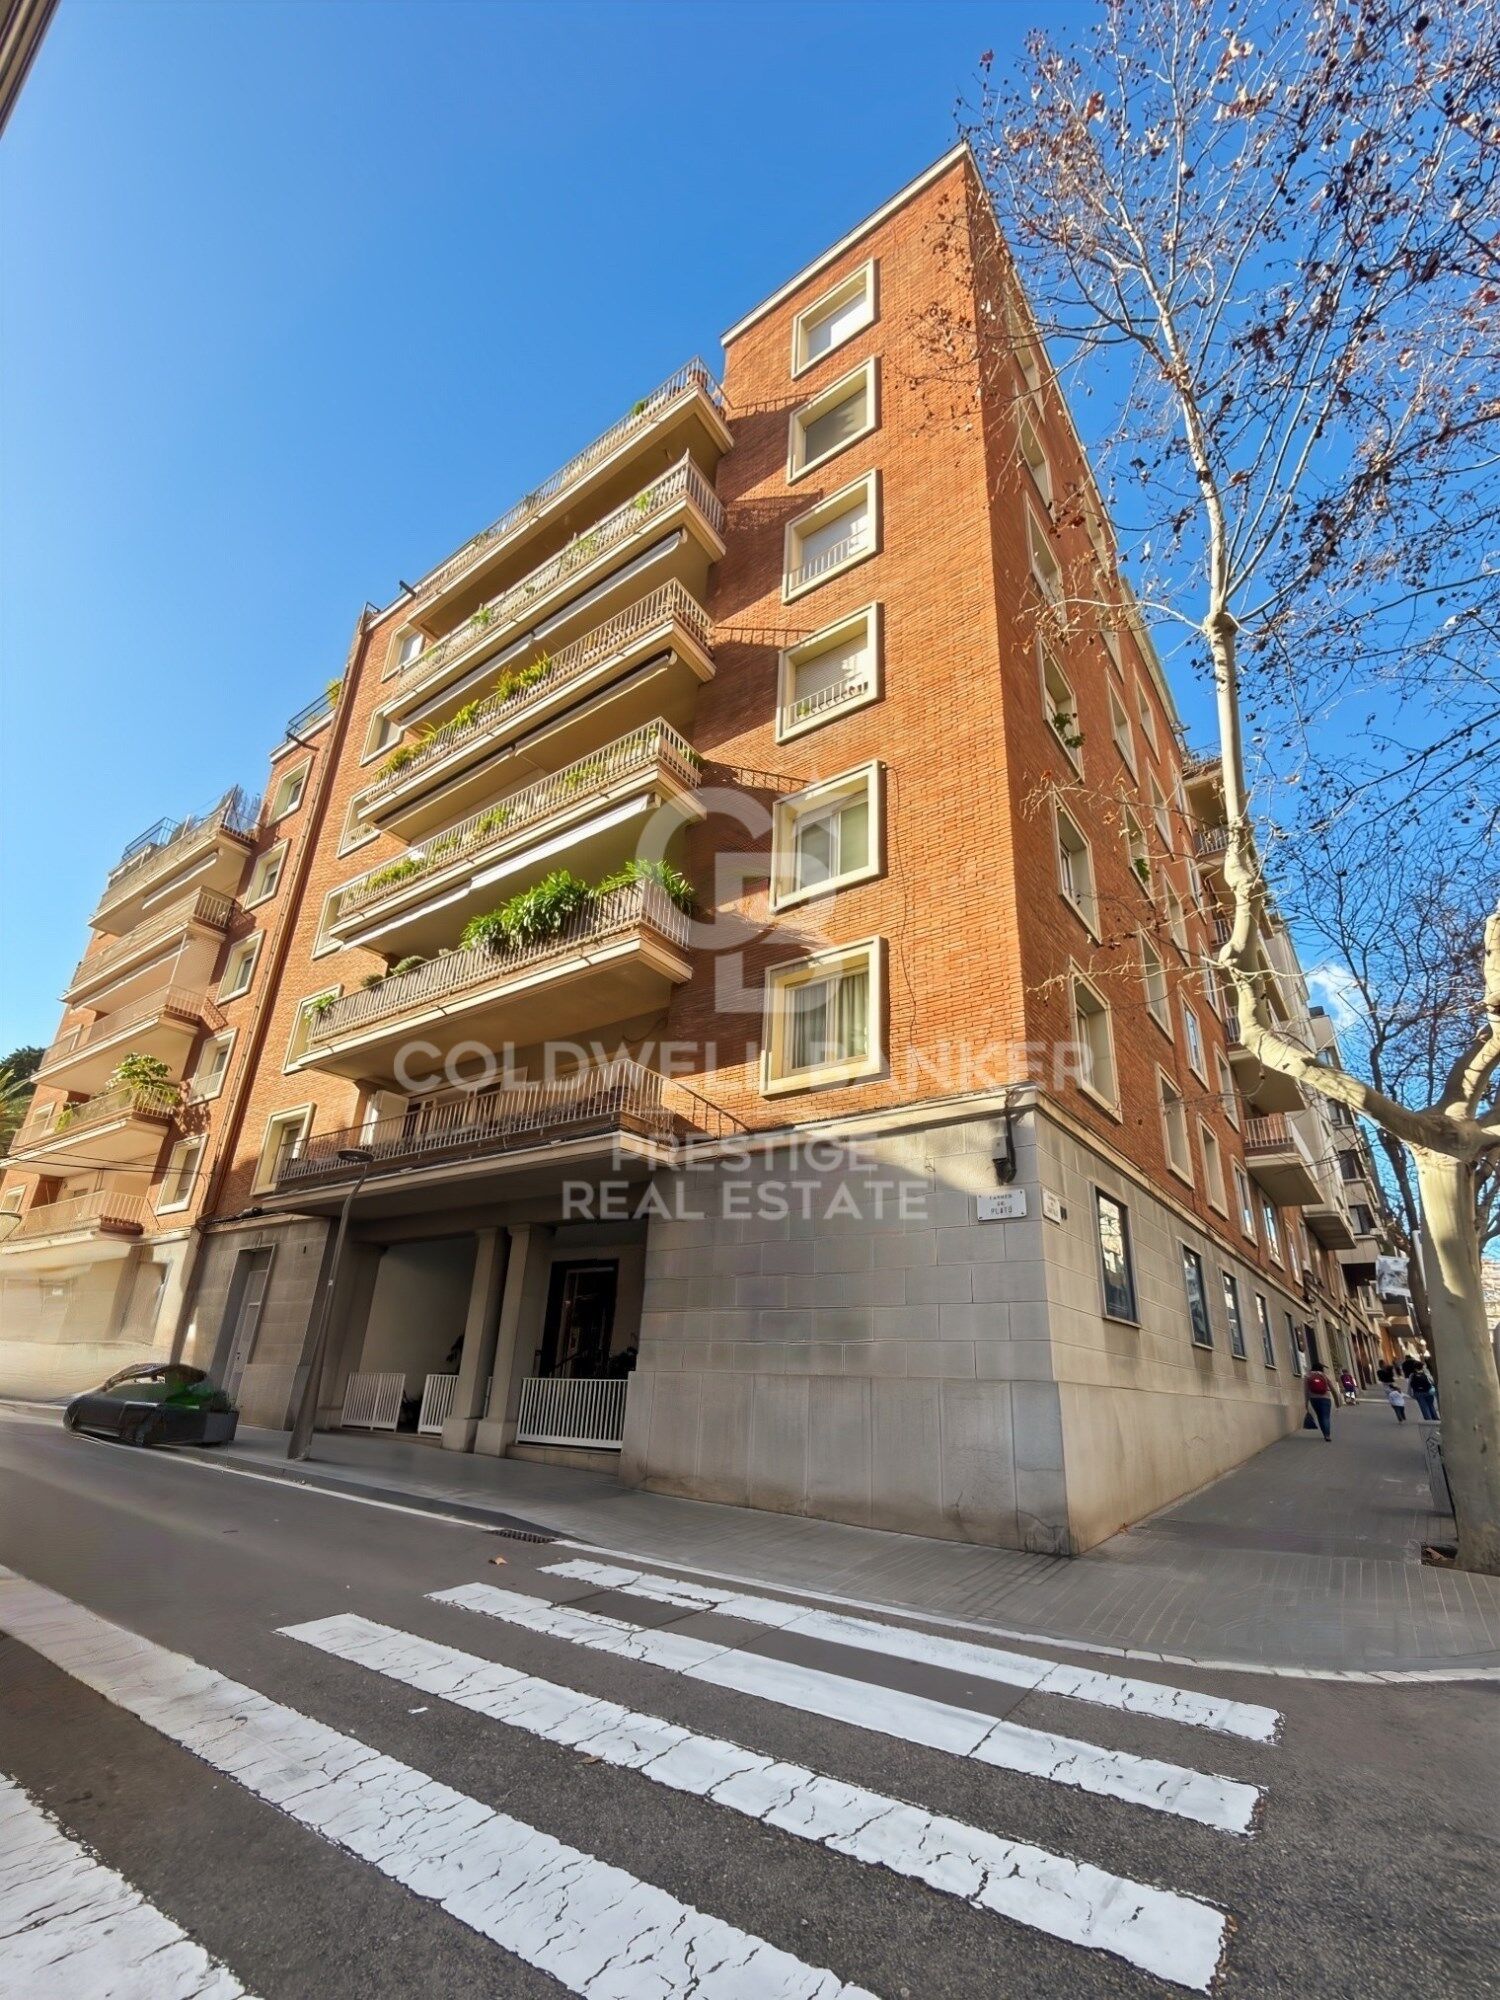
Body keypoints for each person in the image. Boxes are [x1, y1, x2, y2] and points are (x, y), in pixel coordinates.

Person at [1304, 1365, 1335, 1441]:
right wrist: (1337, 1401)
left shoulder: (1307, 1376)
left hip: (1314, 1399)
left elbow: (1306, 1390)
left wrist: (1306, 1402)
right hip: (1326, 1398)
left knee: (1320, 1416)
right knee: (1325, 1417)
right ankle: (1327, 1435)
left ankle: (1324, 1433)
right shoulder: (1324, 1375)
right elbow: (1332, 1388)